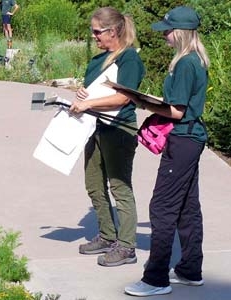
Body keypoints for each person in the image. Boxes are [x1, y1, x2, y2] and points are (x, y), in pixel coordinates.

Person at [124, 6, 209, 297]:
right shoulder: (194, 60)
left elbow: (177, 110)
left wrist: (143, 102)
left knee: (162, 208)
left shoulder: (186, 64)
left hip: (183, 139)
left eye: (168, 31)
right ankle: (189, 270)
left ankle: (156, 278)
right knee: (187, 206)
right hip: (190, 138)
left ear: (181, 33)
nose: (165, 36)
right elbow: (180, 104)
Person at [69, 7, 145, 267]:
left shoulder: (129, 60)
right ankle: (106, 234)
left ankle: (126, 247)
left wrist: (89, 104)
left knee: (120, 187)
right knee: (93, 184)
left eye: (97, 31)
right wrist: (82, 95)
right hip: (95, 127)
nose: (94, 36)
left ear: (113, 31)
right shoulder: (98, 60)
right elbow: (94, 92)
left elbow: (124, 97)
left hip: (119, 129)